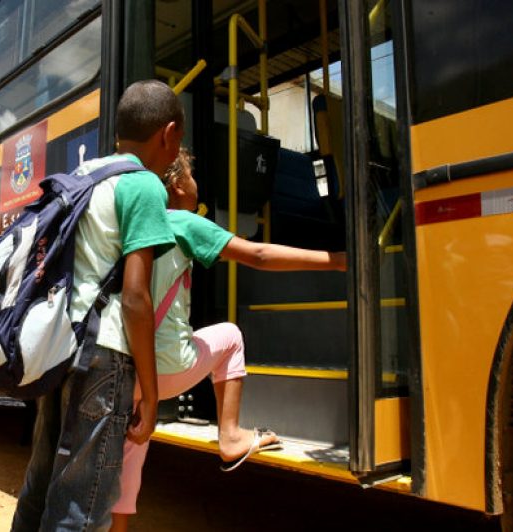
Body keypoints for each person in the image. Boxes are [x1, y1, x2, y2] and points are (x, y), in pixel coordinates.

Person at [110, 148, 347, 531]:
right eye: (191, 176)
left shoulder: (130, 222)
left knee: (131, 453)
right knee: (231, 337)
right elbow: (259, 254)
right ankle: (231, 435)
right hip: (167, 369)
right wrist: (336, 260)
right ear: (176, 184)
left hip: (125, 369)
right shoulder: (184, 222)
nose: (196, 184)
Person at [10, 79, 181, 532]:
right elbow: (137, 298)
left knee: (41, 486)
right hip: (103, 358)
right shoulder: (144, 186)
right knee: (82, 506)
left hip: (58, 348)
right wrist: (151, 387)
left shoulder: (87, 175)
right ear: (168, 134)